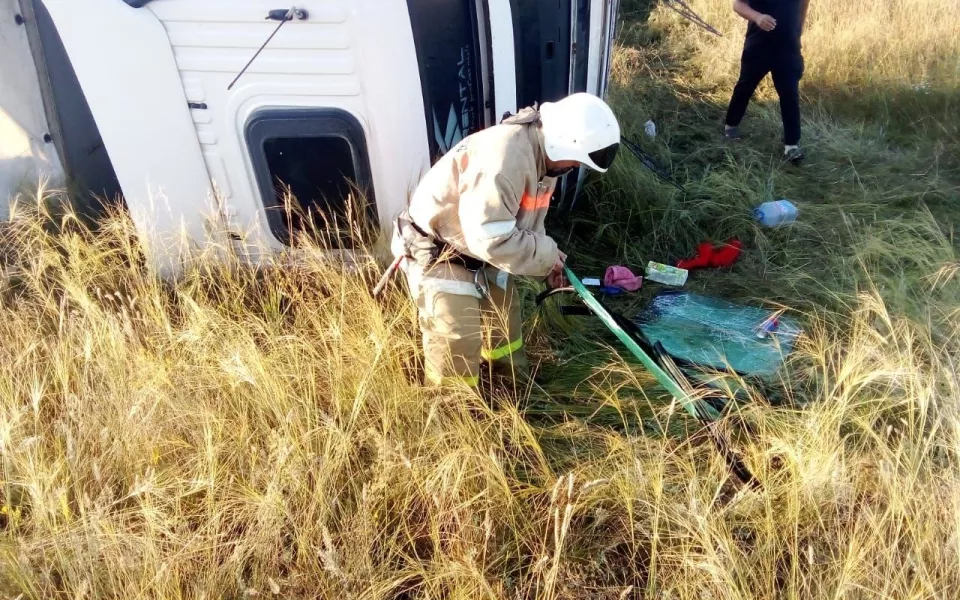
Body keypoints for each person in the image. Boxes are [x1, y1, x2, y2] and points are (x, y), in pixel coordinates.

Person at [391, 92, 620, 388]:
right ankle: (453, 416)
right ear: (564, 141)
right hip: (440, 253)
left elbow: (525, 225)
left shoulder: (545, 159)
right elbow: (488, 238)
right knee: (458, 340)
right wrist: (546, 256)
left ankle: (510, 389)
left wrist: (548, 265)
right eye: (576, 160)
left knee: (505, 323)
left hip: (479, 251)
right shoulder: (503, 159)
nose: (575, 167)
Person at [723, 0, 811, 164]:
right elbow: (738, 5)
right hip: (758, 46)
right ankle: (730, 126)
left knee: (790, 94)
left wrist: (798, 30)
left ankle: (791, 145)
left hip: (789, 48)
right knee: (745, 87)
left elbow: (804, 4)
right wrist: (757, 17)